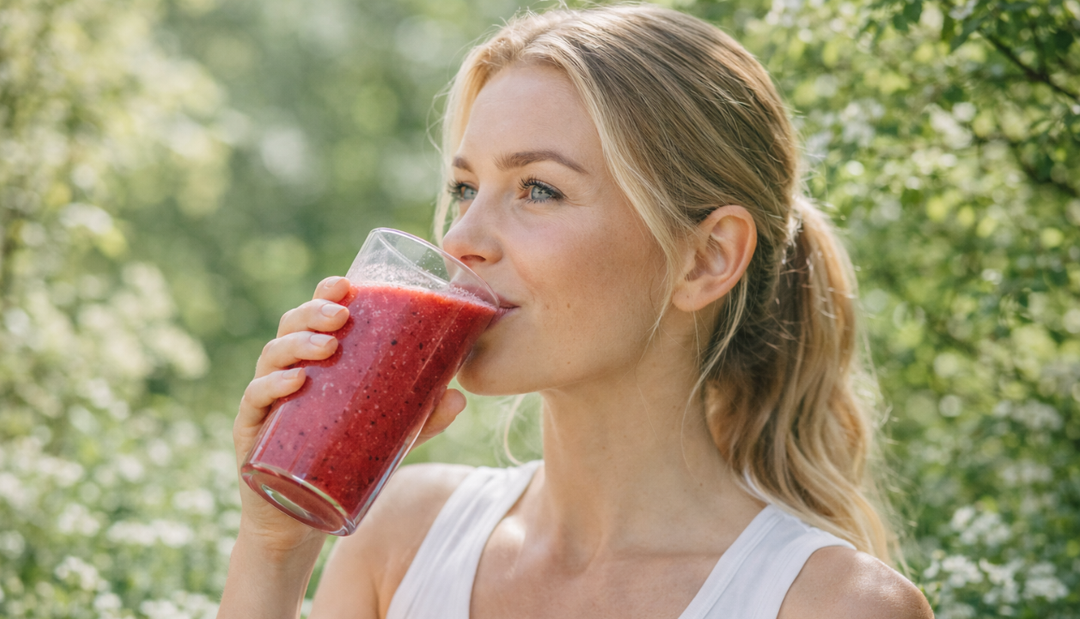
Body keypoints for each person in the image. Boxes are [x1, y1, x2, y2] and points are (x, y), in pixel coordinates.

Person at [219, 5, 934, 618]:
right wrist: (275, 546)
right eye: (466, 187)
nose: (461, 239)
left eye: (538, 189)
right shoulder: (401, 536)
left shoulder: (832, 605)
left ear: (705, 258)